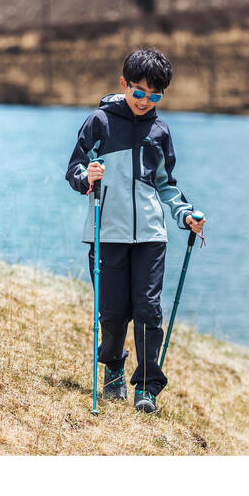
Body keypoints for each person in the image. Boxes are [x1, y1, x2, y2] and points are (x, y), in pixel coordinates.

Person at [65, 48, 206, 413]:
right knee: (112, 312)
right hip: (106, 232)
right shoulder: (100, 122)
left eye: (155, 95)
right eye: (139, 92)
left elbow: (166, 185)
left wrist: (185, 215)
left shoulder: (159, 131)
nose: (145, 101)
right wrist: (87, 177)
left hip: (150, 236)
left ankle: (146, 387)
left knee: (148, 310)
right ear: (124, 84)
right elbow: (74, 171)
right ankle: (113, 365)